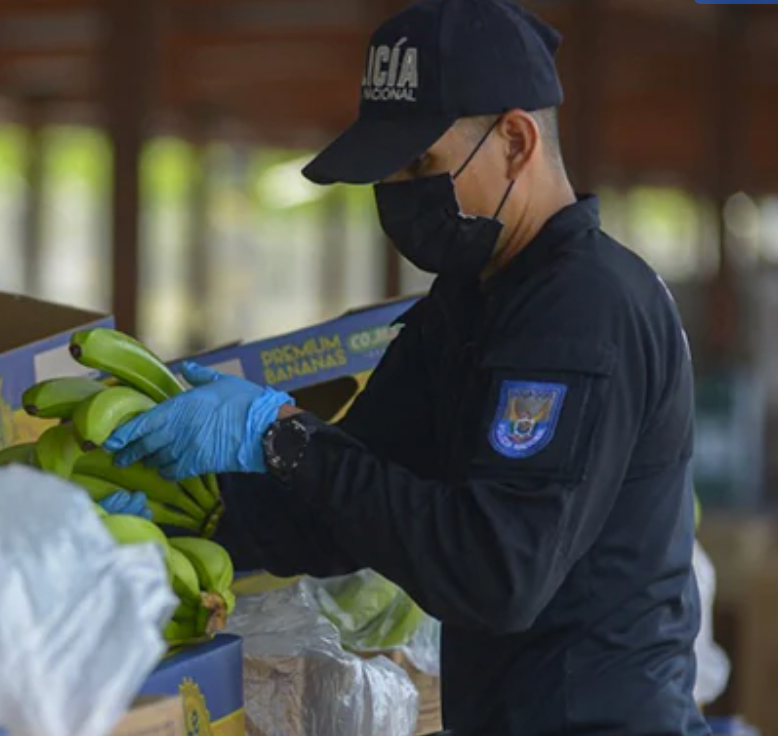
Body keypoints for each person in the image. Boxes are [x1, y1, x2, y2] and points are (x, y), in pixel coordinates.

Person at [101, 0, 706, 734]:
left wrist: (282, 436)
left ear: (515, 140)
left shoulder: (582, 311)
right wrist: (186, 520)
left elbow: (496, 575)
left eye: (422, 163)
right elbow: (346, 508)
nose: (399, 195)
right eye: (391, 172)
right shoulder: (470, 304)